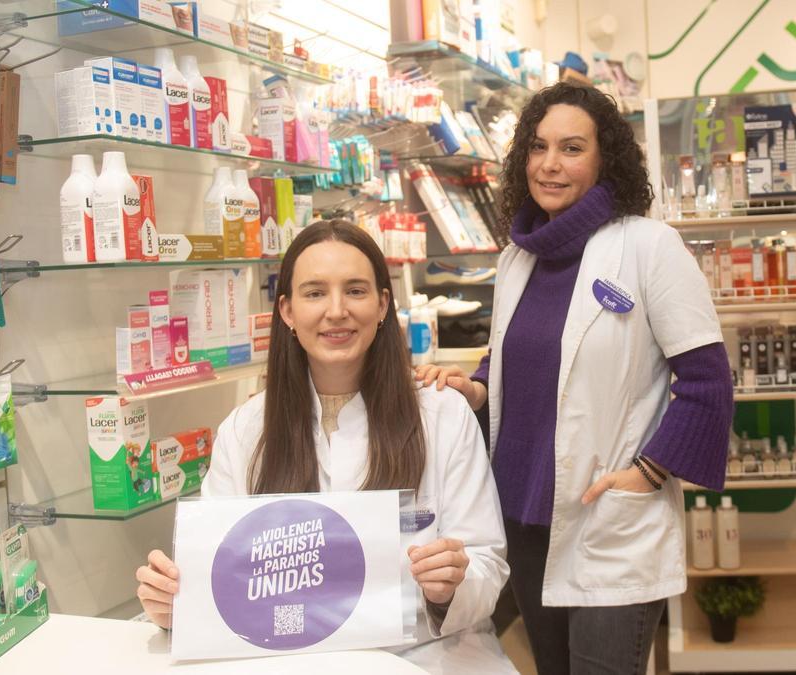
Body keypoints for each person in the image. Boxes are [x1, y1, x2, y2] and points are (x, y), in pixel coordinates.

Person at [415, 82, 733, 674]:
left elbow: (708, 383)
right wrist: (474, 389)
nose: (550, 164)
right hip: (522, 517)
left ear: (603, 158)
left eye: (571, 148)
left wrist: (649, 471)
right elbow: (509, 362)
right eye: (538, 147)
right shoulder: (517, 257)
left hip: (606, 521)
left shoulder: (649, 248)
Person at [134, 220, 515, 674]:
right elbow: (224, 572)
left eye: (355, 291)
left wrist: (450, 584)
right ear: (288, 311)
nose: (336, 311)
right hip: (290, 659)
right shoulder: (245, 429)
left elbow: (486, 562)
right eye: (314, 293)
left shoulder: (442, 415)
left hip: (428, 655)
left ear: (382, 305)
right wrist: (175, 605)